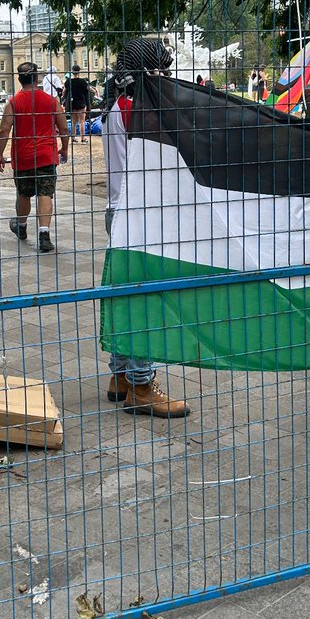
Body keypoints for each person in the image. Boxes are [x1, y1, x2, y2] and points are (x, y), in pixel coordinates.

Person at [102, 37, 190, 418]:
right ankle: (141, 384)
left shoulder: (115, 106)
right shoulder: (137, 109)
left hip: (119, 210)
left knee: (126, 295)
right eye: (158, 69)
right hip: (139, 215)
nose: (163, 76)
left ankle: (121, 375)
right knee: (147, 300)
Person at [0, 62, 69, 253]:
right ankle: (44, 235)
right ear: (36, 79)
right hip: (46, 156)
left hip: (23, 157)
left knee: (24, 194)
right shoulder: (51, 101)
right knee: (45, 193)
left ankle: (21, 226)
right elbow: (63, 128)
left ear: (19, 79)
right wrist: (64, 148)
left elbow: (4, 130)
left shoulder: (13, 103)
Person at [65, 65, 91, 143]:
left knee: (73, 122)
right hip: (81, 103)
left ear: (72, 71)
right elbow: (88, 89)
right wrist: (95, 91)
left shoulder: (68, 81)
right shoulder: (82, 81)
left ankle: (73, 138)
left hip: (72, 104)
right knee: (82, 121)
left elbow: (64, 92)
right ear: (79, 71)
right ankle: (83, 138)